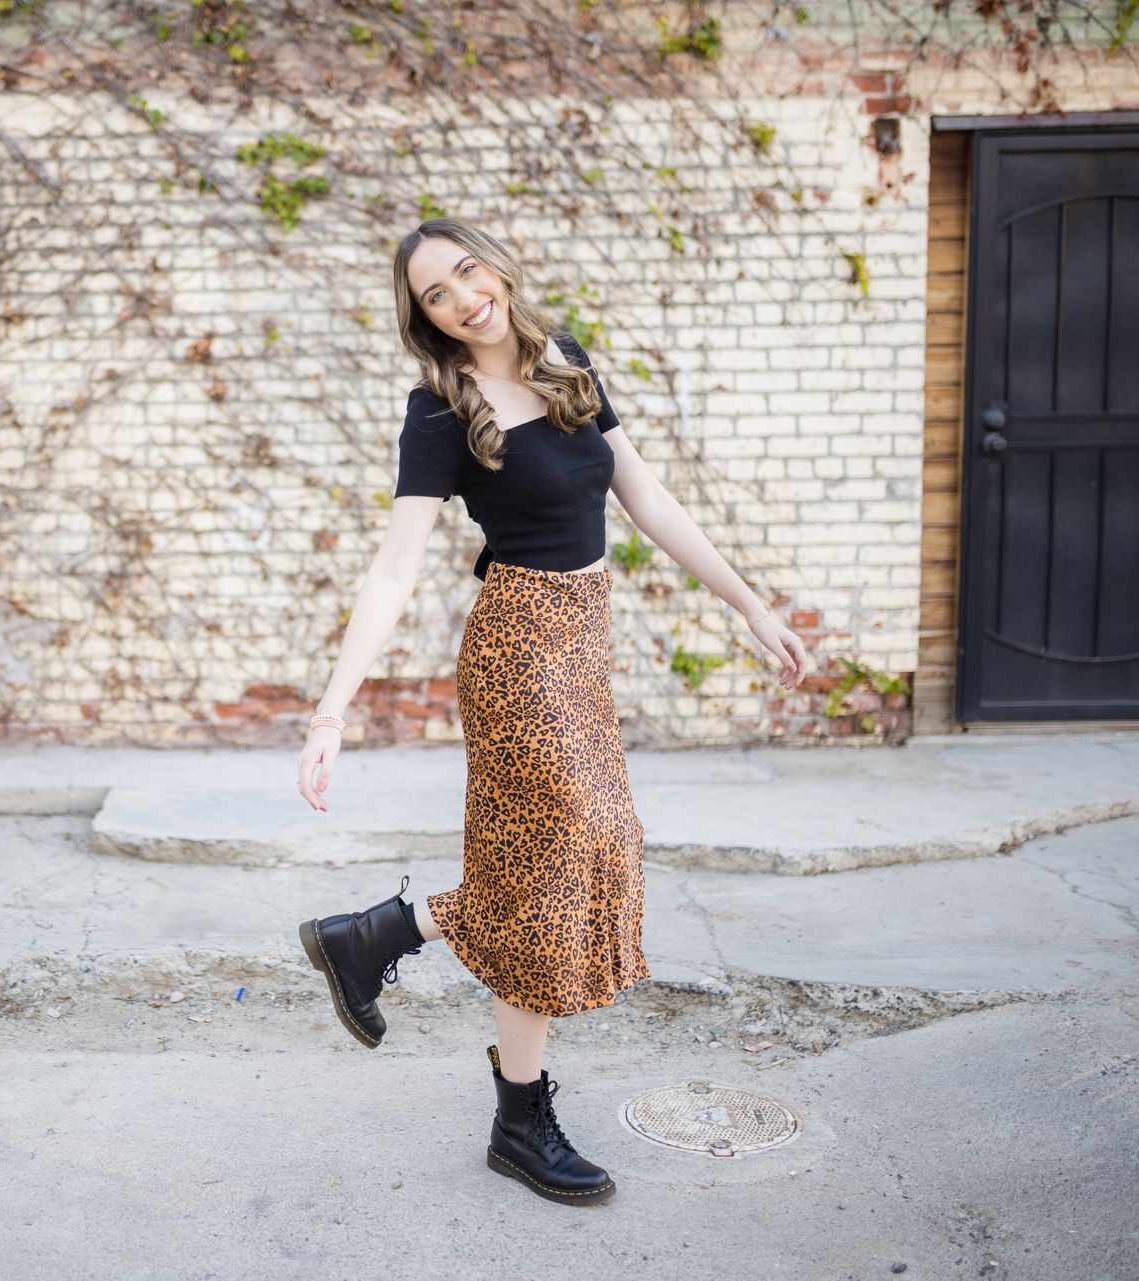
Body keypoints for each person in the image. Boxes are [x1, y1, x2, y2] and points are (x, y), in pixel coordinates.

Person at [294, 217, 810, 1206]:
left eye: (465, 273)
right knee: (571, 843)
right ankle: (513, 1111)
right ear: (427, 321)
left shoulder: (564, 358)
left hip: (584, 639)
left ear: (493, 266)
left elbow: (647, 498)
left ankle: (388, 937)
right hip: (517, 648)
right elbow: (396, 565)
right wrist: (331, 712)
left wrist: (749, 605)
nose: (460, 299)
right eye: (435, 297)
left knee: (562, 858)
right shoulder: (439, 411)